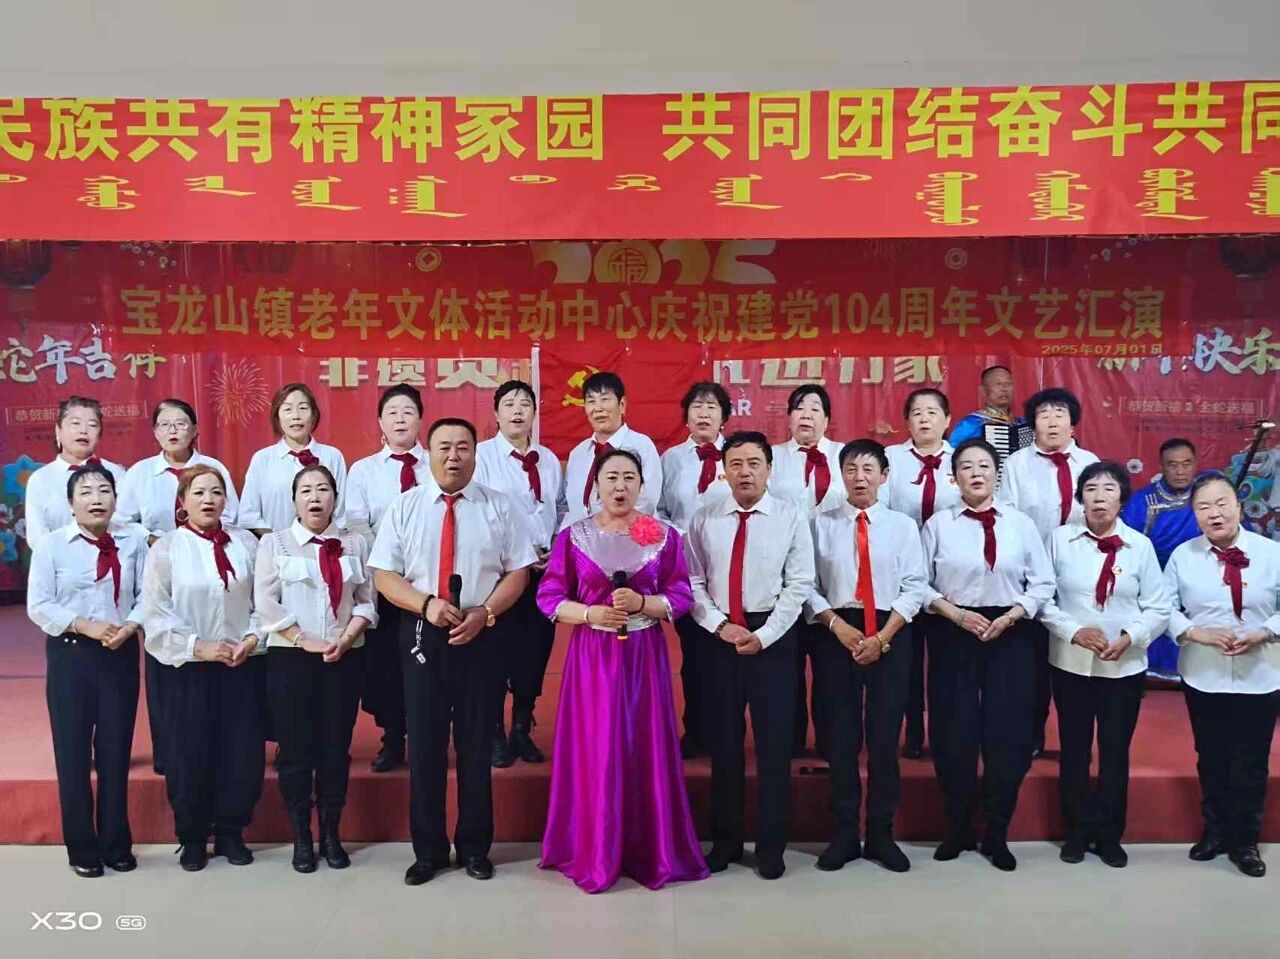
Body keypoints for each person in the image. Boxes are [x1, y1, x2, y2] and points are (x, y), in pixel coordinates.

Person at [368, 418, 535, 886]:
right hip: (423, 631)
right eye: (444, 447)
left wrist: (486, 612)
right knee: (424, 746)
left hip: (482, 630)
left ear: (476, 454)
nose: (454, 455)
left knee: (477, 744)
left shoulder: (499, 506)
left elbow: (518, 572)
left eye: (463, 447)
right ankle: (429, 851)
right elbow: (384, 574)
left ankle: (475, 847)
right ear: (429, 453)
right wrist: (426, 604)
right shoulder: (405, 506)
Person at [536, 449, 708, 893]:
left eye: (629, 477)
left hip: (644, 657)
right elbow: (549, 596)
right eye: (611, 476)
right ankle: (594, 847)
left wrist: (644, 604)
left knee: (642, 743)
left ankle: (649, 848)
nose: (620, 486)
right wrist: (589, 614)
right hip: (592, 658)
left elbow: (681, 595)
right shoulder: (574, 537)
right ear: (595, 484)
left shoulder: (661, 536)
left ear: (642, 486)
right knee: (597, 745)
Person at [922, 439, 1055, 872]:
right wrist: (957, 615)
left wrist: (1015, 614)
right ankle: (958, 826)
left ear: (996, 474)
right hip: (953, 629)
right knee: (953, 731)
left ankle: (997, 830)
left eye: (983, 466)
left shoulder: (1020, 524)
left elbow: (1043, 583)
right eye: (966, 467)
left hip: (1010, 632)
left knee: (1008, 733)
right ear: (954, 477)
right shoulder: (938, 525)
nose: (976, 473)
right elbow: (918, 583)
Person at [687, 431, 815, 881]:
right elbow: (693, 582)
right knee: (724, 744)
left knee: (774, 746)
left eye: (754, 463)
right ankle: (725, 842)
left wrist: (765, 635)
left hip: (773, 639)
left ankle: (771, 846)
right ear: (724, 470)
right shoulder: (704, 518)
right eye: (736, 464)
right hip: (720, 637)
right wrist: (719, 626)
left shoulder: (790, 516)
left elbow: (799, 583)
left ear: (769, 469)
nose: (745, 472)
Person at [1040, 461, 1170, 868]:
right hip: (1071, 664)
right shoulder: (1059, 540)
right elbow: (1043, 599)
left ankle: (1110, 835)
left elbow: (1159, 607)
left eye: (1109, 489)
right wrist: (1073, 631)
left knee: (1115, 751)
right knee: (1075, 750)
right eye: (1091, 489)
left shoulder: (1140, 546)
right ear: (1080, 497)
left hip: (1123, 667)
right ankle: (1077, 832)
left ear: (1122, 499)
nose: (1099, 497)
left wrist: (1131, 636)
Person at [806, 440, 927, 873]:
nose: (860, 477)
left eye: (869, 469)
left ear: (884, 475)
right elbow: (806, 585)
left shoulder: (902, 527)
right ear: (841, 475)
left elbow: (915, 586)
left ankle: (880, 834)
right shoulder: (819, 525)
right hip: (836, 633)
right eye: (851, 469)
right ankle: (843, 835)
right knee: (841, 740)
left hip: (890, 633)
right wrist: (838, 627)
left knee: (883, 739)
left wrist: (883, 637)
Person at [142, 465, 264, 872]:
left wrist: (251, 638)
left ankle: (231, 831)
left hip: (240, 663)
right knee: (188, 753)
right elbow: (156, 613)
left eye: (216, 492)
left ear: (226, 500)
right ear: (182, 501)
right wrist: (199, 646)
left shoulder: (246, 543)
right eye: (198, 493)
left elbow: (265, 600)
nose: (208, 500)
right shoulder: (166, 549)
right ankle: (192, 836)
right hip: (187, 667)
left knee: (240, 752)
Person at [26, 465, 147, 878]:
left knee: (115, 751)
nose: (96, 498)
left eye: (104, 490)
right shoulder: (52, 546)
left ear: (115, 499)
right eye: (86, 491)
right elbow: (39, 604)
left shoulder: (133, 541)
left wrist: (129, 626)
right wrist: (83, 625)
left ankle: (116, 843)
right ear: (70, 503)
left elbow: (147, 595)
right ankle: (81, 847)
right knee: (73, 753)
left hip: (119, 652)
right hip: (71, 653)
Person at [255, 465, 376, 873]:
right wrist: (302, 639)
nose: (315, 497)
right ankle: (301, 837)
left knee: (335, 749)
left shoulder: (354, 543)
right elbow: (265, 602)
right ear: (294, 500)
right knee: (295, 750)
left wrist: (348, 636)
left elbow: (366, 600)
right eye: (305, 490)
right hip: (292, 660)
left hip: (343, 658)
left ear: (335, 499)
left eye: (323, 489)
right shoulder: (276, 543)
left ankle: (331, 834)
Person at [1165, 475, 1280, 878]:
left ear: (1239, 506)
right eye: (1203, 507)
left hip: (1261, 672)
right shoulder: (1182, 556)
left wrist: (1265, 631)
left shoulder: (1271, 552)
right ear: (1195, 515)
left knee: (1251, 760)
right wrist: (1196, 633)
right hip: (1204, 672)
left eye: (1222, 503)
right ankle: (1214, 831)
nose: (1214, 513)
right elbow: (1165, 607)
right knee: (1211, 756)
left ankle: (1245, 840)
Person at [118, 398, 240, 775]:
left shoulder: (213, 468)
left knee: (213, 655)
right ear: (155, 432)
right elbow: (122, 521)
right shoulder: (140, 473)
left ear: (195, 430)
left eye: (181, 423)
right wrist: (153, 539)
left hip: (208, 568)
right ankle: (168, 753)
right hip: (161, 571)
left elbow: (232, 515)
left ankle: (220, 749)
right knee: (166, 659)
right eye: (165, 424)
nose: (173, 430)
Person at [1000, 387, 1100, 757]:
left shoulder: (1089, 463)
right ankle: (1030, 735)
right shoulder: (1017, 464)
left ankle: (1076, 741)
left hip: (1076, 575)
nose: (1052, 421)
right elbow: (1008, 518)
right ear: (1033, 425)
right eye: (1044, 414)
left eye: (1060, 413)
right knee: (1032, 666)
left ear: (1073, 423)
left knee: (1075, 659)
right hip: (1029, 577)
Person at [475, 380, 564, 767]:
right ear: (496, 413)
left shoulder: (548, 459)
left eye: (525, 404)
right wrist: (519, 554)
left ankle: (522, 728)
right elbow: (478, 511)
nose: (517, 410)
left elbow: (561, 509)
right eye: (509, 404)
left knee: (535, 652)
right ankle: (494, 731)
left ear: (534, 413)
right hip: (500, 574)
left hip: (543, 574)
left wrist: (555, 547)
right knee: (495, 654)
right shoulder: (482, 456)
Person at [344, 384, 430, 773]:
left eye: (408, 411)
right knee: (387, 664)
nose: (400, 419)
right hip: (383, 582)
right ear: (380, 422)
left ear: (420, 420)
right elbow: (357, 524)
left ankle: (427, 736)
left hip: (428, 583)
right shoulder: (363, 470)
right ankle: (393, 737)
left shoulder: (435, 465)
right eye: (392, 412)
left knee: (426, 661)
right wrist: (387, 563)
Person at [882, 387, 960, 759]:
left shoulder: (964, 460)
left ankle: (946, 734)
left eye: (932, 412)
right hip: (902, 576)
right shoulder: (890, 459)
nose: (924, 418)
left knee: (947, 662)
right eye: (916, 412)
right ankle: (911, 731)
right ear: (907, 422)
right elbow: (882, 513)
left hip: (949, 577)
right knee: (906, 662)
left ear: (947, 420)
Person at [768, 384, 843, 758]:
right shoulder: (771, 458)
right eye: (799, 408)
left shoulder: (845, 457)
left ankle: (832, 741)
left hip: (834, 578)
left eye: (815, 408)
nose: (806, 415)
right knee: (787, 668)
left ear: (827, 419)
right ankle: (791, 740)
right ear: (788, 417)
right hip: (784, 578)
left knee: (831, 669)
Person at [657, 381, 732, 758]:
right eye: (697, 407)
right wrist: (680, 536)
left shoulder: (736, 455)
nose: (703, 414)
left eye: (711, 407)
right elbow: (657, 511)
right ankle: (695, 729)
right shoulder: (670, 459)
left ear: (724, 417)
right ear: (686, 415)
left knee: (726, 655)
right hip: (685, 570)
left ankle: (725, 732)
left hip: (730, 567)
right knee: (695, 655)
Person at [1120, 438, 1206, 679]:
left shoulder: (1206, 496)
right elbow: (1128, 546)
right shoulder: (1142, 501)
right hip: (1154, 575)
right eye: (1172, 465)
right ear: (1161, 466)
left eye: (1186, 464)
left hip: (1200, 574)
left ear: (1195, 464)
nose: (1180, 471)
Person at [240, 382, 348, 537]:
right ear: (277, 416)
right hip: (275, 545)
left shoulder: (332, 456)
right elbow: (249, 515)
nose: (296, 416)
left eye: (303, 408)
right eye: (287, 409)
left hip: (324, 545)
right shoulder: (262, 459)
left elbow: (341, 513)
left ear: (314, 415)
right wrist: (279, 542)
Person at [23, 396, 128, 552]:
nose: (83, 430)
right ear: (58, 430)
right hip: (59, 563)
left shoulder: (116, 473)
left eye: (92, 425)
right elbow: (37, 537)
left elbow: (125, 524)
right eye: (75, 423)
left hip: (110, 558)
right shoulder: (40, 479)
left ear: (99, 434)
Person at [559, 371, 662, 528]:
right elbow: (571, 507)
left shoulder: (642, 446)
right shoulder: (578, 454)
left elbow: (647, 501)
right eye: (591, 401)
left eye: (605, 399)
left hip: (628, 536)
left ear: (622, 405)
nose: (598, 408)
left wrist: (608, 530)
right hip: (582, 538)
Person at [948, 365, 1033, 468]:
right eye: (998, 384)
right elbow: (952, 457)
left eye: (1008, 383)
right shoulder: (970, 424)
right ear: (983, 390)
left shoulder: (1023, 423)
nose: (1004, 388)